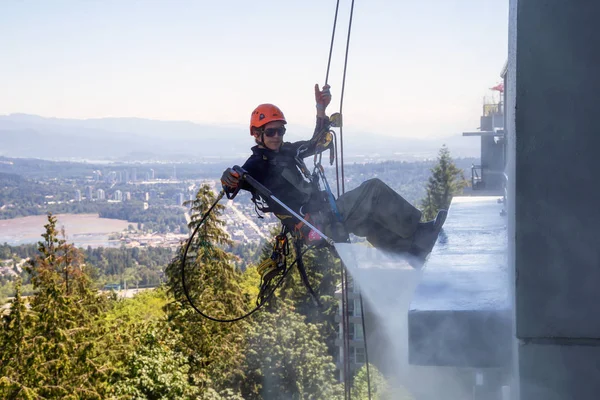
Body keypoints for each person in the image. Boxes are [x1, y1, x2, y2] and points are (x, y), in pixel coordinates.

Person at [221, 83, 447, 262]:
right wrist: (229, 178)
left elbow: (316, 142)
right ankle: (421, 234)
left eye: (280, 130)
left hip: (325, 216)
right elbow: (235, 183)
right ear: (257, 134)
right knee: (373, 190)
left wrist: (321, 110)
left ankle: (410, 252)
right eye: (271, 131)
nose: (277, 136)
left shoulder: (288, 151)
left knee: (366, 220)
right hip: (316, 225)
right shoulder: (255, 166)